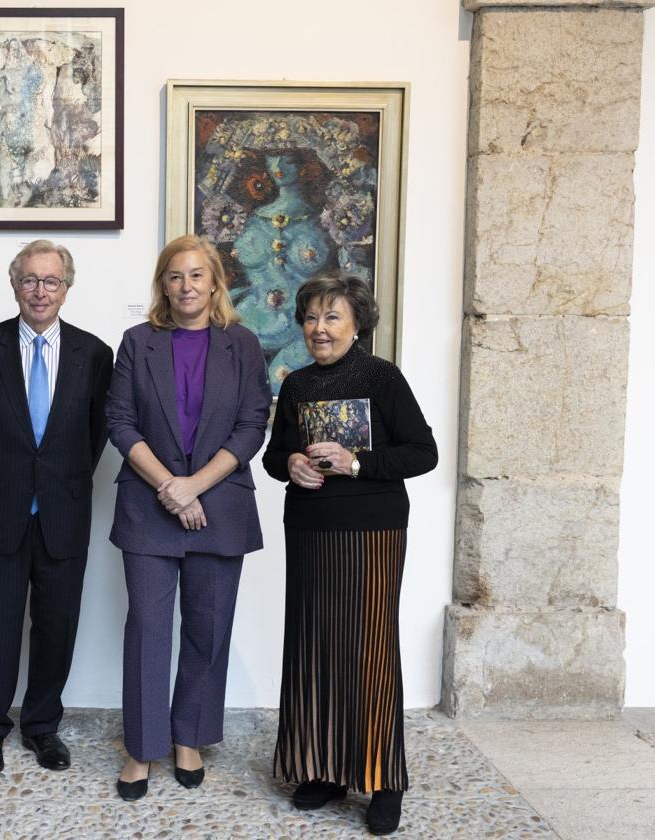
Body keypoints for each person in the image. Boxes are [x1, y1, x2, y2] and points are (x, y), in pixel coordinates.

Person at [261, 271, 438, 835]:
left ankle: (383, 779)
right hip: (310, 529)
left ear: (358, 323)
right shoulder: (295, 385)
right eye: (311, 317)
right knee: (316, 646)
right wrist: (287, 463)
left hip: (373, 531)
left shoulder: (383, 378)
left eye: (331, 317)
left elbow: (423, 452)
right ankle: (323, 768)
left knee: (370, 651)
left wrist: (358, 462)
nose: (319, 328)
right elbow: (273, 456)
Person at [106, 234, 272, 801]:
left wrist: (193, 487)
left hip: (219, 506)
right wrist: (169, 488)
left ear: (215, 283)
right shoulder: (137, 342)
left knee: (208, 628)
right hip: (149, 508)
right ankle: (142, 749)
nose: (186, 287)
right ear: (163, 284)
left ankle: (189, 738)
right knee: (149, 631)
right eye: (175, 276)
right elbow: (120, 421)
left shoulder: (243, 344)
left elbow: (252, 425)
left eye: (197, 276)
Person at [0, 240, 113, 775]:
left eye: (52, 281)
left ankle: (42, 727)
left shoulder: (94, 354)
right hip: (0, 511)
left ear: (67, 287)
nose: (40, 291)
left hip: (64, 511)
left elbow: (96, 433)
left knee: (56, 625)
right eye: (30, 280)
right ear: (13, 283)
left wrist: (60, 481)